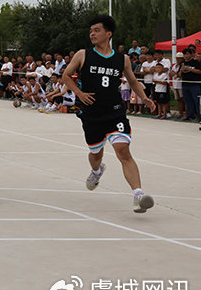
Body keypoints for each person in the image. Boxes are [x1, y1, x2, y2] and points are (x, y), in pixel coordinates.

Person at [61, 14, 157, 213]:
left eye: (97, 30)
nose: (92, 34)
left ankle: (138, 195)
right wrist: (79, 93)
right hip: (91, 114)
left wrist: (144, 97)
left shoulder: (122, 59)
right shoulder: (83, 55)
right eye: (91, 31)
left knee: (123, 151)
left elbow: (132, 81)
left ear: (108, 34)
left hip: (115, 112)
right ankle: (96, 171)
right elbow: (66, 76)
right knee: (96, 154)